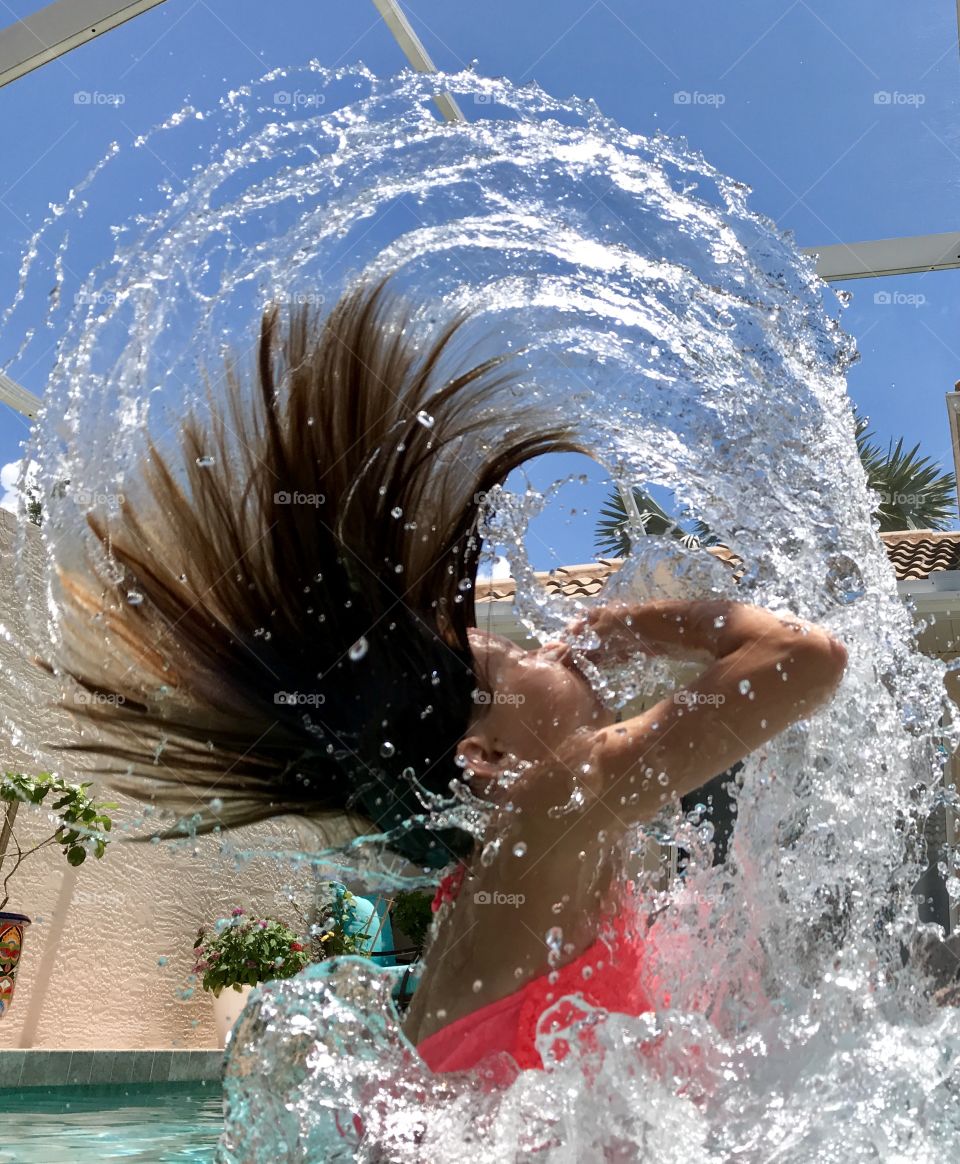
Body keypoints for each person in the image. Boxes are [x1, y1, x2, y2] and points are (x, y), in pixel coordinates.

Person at [45, 277, 847, 1076]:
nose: (546, 647)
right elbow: (802, 657)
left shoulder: (516, 867)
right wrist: (640, 625)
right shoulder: (550, 806)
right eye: (513, 660)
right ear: (486, 757)